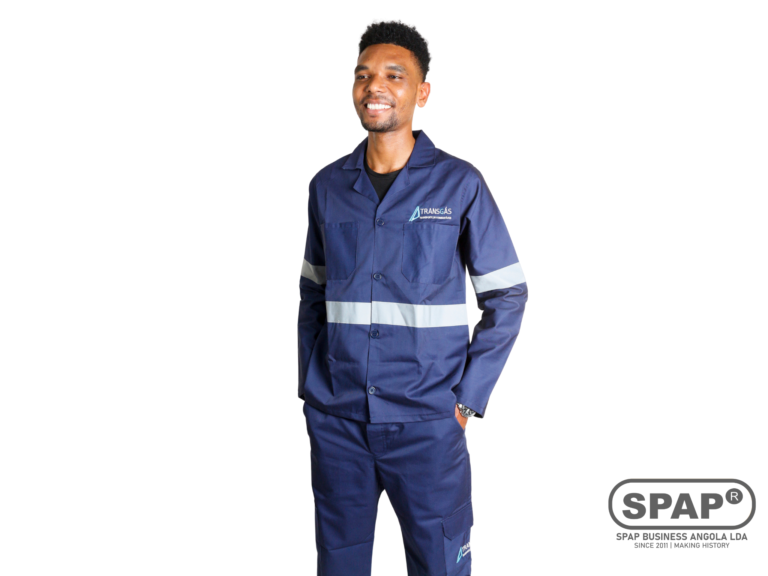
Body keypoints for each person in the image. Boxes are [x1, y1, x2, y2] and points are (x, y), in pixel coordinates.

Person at [297, 20, 528, 576]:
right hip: (338, 422)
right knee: (339, 564)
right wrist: (313, 387)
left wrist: (466, 400)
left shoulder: (459, 184)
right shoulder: (327, 187)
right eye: (364, 75)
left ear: (421, 92)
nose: (375, 86)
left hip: (427, 424)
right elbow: (312, 294)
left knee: (439, 564)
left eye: (394, 75)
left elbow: (508, 294)